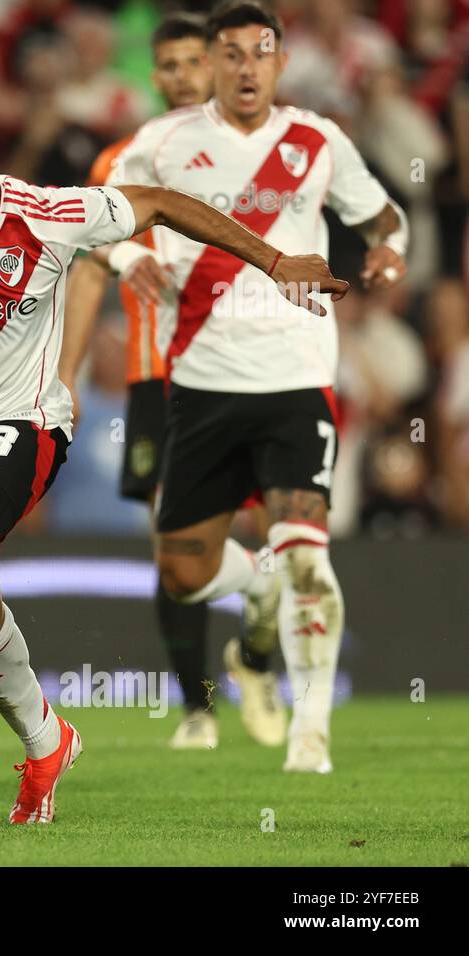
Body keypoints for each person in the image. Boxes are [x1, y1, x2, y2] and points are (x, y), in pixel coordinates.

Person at [0, 76, 345, 822]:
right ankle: (49, 742)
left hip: (26, 424)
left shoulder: (49, 214)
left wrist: (274, 263)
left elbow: (163, 203)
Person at [104, 1, 408, 773]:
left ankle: (311, 736)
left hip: (298, 379)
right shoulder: (162, 143)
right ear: (211, 63)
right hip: (200, 385)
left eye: (260, 53)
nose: (246, 67)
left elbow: (383, 217)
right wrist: (120, 260)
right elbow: (98, 218)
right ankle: (259, 585)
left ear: (279, 63)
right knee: (182, 569)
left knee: (310, 555)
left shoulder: (317, 139)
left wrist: (391, 254)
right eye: (230, 54)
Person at [60, 11, 287, 752]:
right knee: (177, 542)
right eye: (173, 66)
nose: (187, 77)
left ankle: (254, 655)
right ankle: (198, 706)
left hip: (256, 368)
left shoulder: (263, 153)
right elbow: (92, 269)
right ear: (154, 76)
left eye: (199, 62)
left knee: (264, 526)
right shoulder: (124, 162)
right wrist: (65, 375)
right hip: (161, 378)